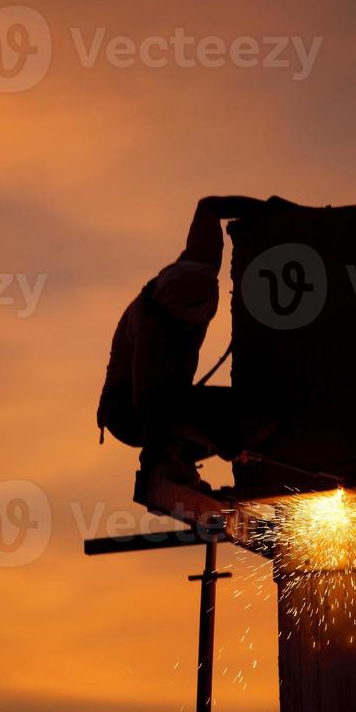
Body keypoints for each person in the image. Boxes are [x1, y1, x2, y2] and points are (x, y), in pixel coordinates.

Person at [97, 196, 268, 493]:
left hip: (166, 402)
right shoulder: (152, 330)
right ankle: (164, 466)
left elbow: (209, 206)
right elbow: (153, 407)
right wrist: (220, 440)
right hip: (128, 415)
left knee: (254, 416)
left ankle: (178, 458)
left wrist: (264, 210)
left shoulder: (199, 261)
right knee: (191, 415)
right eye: (187, 326)